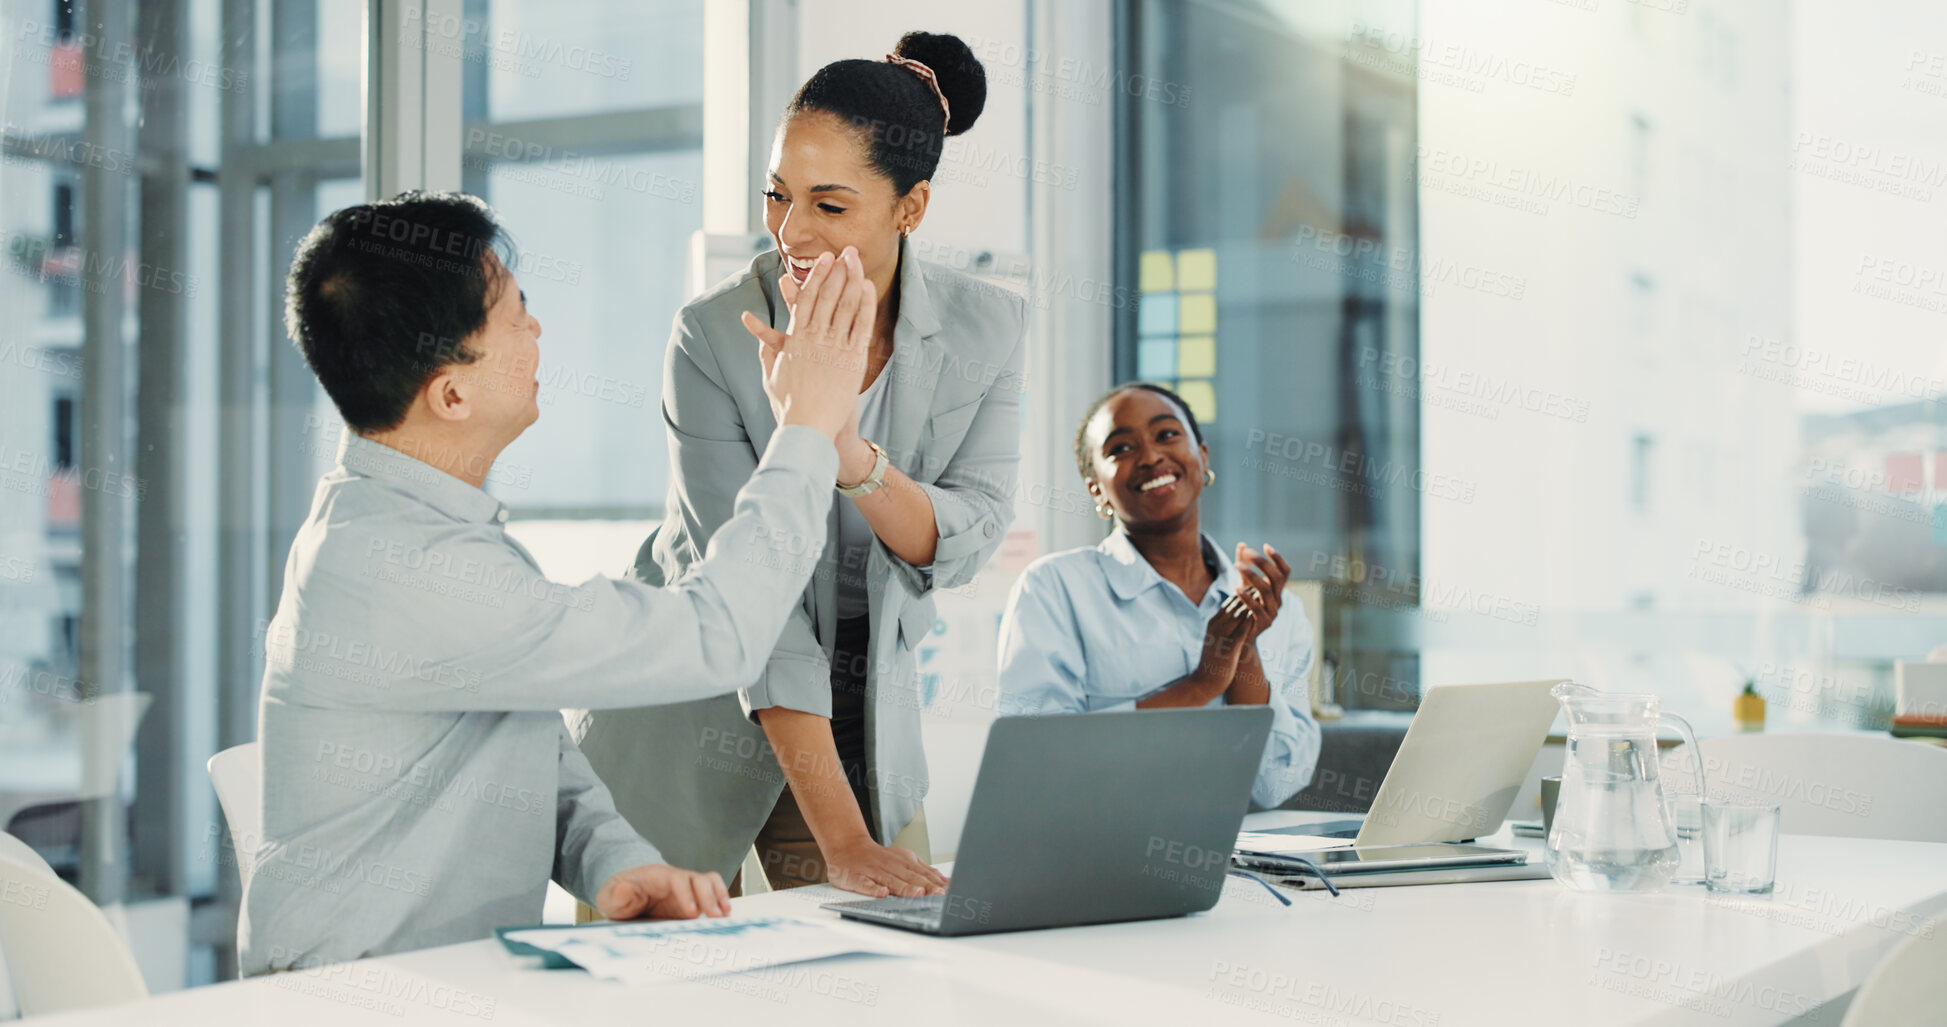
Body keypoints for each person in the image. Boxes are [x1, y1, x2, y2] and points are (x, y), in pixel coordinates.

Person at [239, 191, 877, 974]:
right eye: (514, 314)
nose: (536, 328)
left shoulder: (423, 531)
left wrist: (615, 861)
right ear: (451, 392)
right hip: (353, 1000)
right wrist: (807, 428)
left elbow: (531, 749)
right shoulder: (407, 567)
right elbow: (720, 638)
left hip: (458, 981)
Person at [576, 31, 1024, 899]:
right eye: (777, 196)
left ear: (911, 206)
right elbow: (759, 610)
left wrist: (848, 452)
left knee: (887, 968)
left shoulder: (987, 330)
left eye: (828, 204)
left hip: (866, 703)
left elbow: (965, 537)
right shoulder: (712, 336)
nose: (790, 232)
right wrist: (843, 841)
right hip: (695, 702)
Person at [996, 383, 1321, 809]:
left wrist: (1244, 653)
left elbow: (1277, 785)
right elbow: (1037, 763)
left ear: (1202, 457)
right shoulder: (1054, 588)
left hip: (1241, 860)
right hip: (1101, 856)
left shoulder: (1278, 609)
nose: (1150, 457)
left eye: (1167, 435)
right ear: (1096, 489)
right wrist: (1199, 686)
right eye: (1121, 448)